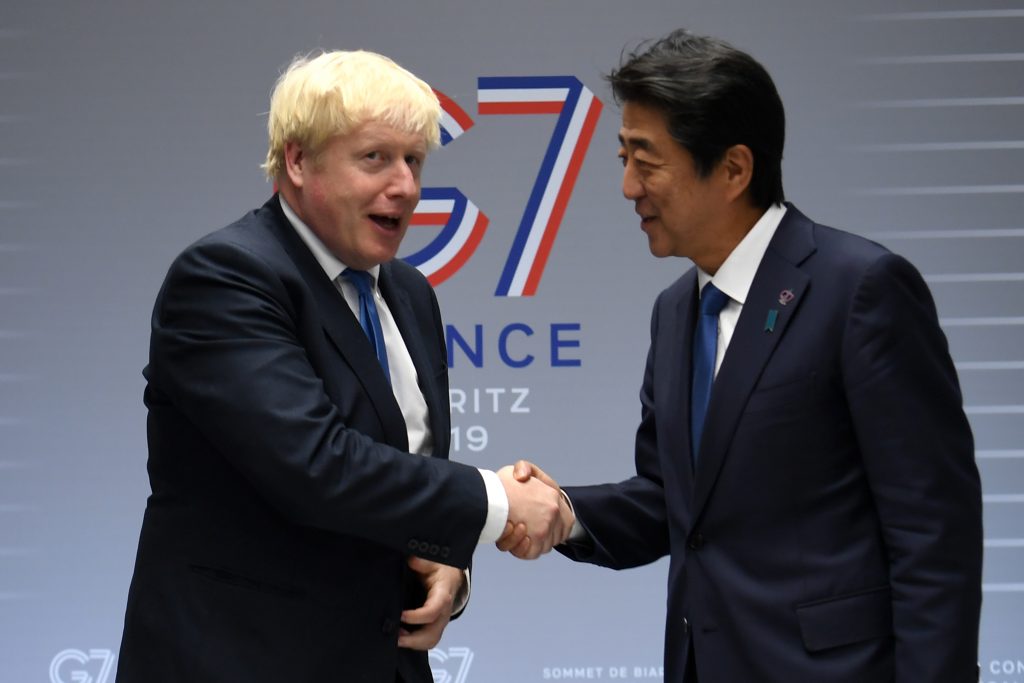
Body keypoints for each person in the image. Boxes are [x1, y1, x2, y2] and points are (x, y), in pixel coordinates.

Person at [502, 28, 983, 682]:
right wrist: (565, 512)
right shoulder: (675, 311)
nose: (626, 186)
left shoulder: (861, 289)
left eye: (646, 160)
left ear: (733, 169)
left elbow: (934, 535)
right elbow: (672, 502)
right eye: (623, 157)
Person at [115, 49, 570, 683]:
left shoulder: (409, 292)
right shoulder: (226, 277)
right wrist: (496, 502)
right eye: (375, 158)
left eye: (414, 160)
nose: (406, 186)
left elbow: (409, 473)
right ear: (298, 161)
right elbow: (317, 465)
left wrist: (447, 568)